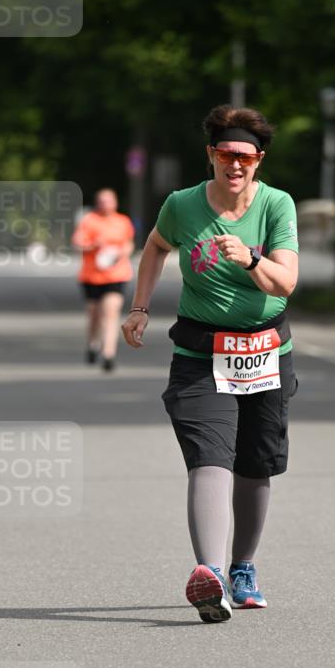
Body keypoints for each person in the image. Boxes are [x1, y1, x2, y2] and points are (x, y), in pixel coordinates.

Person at [122, 105, 299, 623]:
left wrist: (248, 257)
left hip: (266, 352)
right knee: (209, 454)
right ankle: (211, 576)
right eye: (226, 154)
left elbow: (285, 283)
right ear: (211, 156)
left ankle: (243, 567)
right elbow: (155, 247)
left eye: (245, 156)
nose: (236, 164)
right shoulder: (182, 205)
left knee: (255, 463)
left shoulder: (276, 206)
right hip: (201, 354)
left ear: (258, 161)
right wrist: (139, 307)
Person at [72, 189, 135, 372]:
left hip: (116, 275)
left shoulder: (123, 221)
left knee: (111, 312)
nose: (105, 204)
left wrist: (124, 252)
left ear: (115, 202)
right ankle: (93, 344)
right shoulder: (89, 221)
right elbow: (77, 243)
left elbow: (129, 243)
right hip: (92, 276)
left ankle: (109, 354)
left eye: (109, 201)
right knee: (94, 314)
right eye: (102, 201)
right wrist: (93, 245)